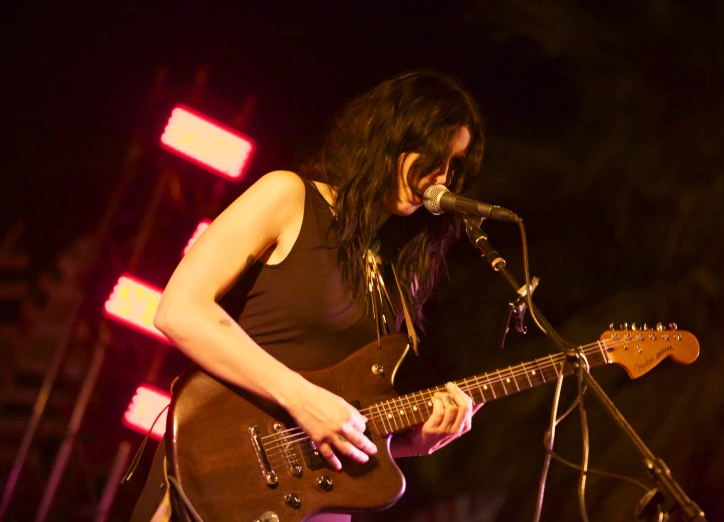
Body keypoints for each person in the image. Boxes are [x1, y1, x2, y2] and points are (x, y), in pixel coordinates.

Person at [130, 70, 486, 521]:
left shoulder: (400, 272)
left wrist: (410, 441)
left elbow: (344, 411)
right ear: (389, 138)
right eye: (434, 156)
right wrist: (302, 398)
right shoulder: (288, 196)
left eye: (454, 166)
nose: (441, 177)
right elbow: (180, 310)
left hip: (309, 506)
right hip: (214, 472)